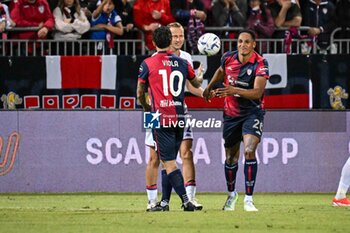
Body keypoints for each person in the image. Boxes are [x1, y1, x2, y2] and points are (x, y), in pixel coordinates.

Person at [203, 29, 269, 212]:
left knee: (249, 151)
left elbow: (258, 92)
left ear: (253, 44)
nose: (243, 45)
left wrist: (234, 91)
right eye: (240, 41)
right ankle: (232, 195)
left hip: (252, 113)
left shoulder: (261, 63)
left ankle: (249, 199)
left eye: (247, 42)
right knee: (231, 157)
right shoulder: (228, 57)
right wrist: (209, 87)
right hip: (231, 115)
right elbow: (220, 70)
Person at [137, 26, 202, 211]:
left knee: (167, 161)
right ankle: (159, 201)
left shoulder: (148, 63)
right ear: (170, 40)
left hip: (156, 114)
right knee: (157, 158)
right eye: (176, 36)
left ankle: (184, 200)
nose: (179, 39)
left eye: (181, 36)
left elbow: (140, 92)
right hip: (179, 115)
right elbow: (195, 83)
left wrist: (147, 108)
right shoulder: (183, 62)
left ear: (154, 42)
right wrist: (199, 76)